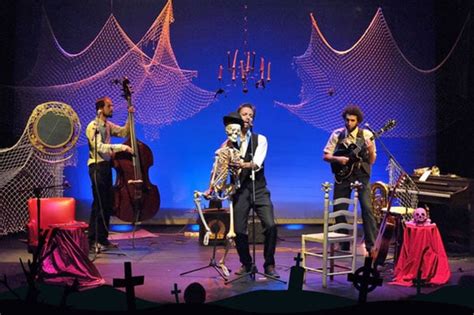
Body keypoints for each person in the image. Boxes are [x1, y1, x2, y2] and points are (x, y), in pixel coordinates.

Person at [232, 103, 279, 278]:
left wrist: (241, 164)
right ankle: (246, 263)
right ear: (238, 118)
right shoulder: (230, 141)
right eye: (244, 114)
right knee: (238, 230)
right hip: (240, 190)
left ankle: (269, 264)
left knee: (271, 225)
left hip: (258, 188)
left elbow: (256, 163)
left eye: (250, 115)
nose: (247, 117)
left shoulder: (261, 139)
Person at [323, 104, 377, 255]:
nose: (349, 123)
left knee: (367, 209)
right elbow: (326, 156)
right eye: (347, 120)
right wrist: (338, 159)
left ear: (358, 121)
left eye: (352, 120)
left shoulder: (366, 135)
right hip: (343, 175)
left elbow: (372, 160)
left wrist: (371, 149)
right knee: (339, 210)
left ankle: (371, 245)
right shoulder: (337, 134)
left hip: (361, 174)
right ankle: (344, 243)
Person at [86, 96, 133, 252]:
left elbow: (124, 132)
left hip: (106, 167)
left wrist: (129, 116)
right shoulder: (93, 126)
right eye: (109, 106)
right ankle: (93, 240)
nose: (112, 108)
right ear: (101, 109)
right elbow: (99, 147)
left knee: (107, 204)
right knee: (98, 204)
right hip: (97, 167)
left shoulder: (107, 125)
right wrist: (122, 148)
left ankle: (103, 239)